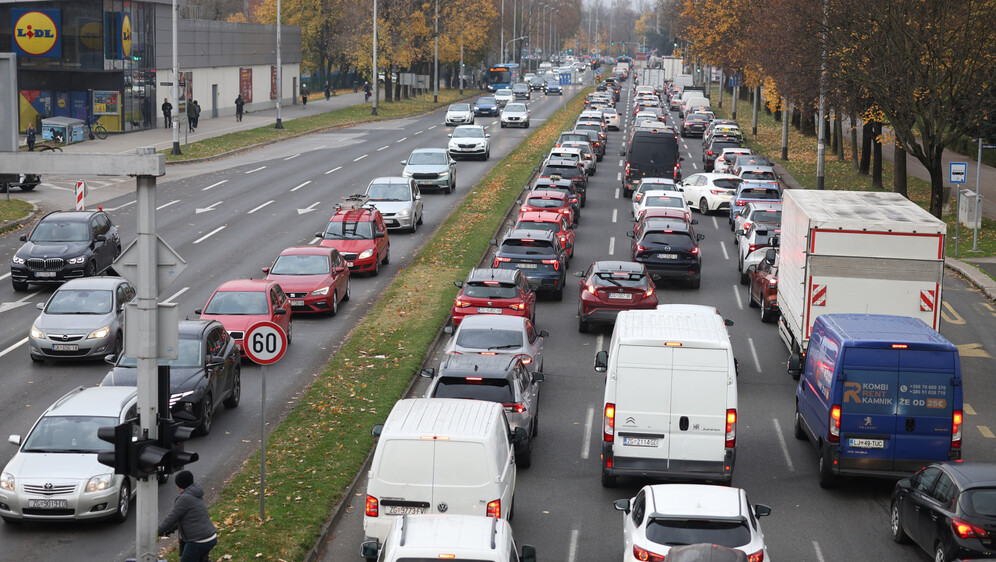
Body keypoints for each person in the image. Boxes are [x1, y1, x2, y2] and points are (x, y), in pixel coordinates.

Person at [158, 470, 218, 562]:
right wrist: (170, 529)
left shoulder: (184, 498)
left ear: (179, 485)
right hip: (210, 536)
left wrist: (157, 532)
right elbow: (184, 517)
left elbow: (171, 518)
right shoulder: (195, 493)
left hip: (199, 541)